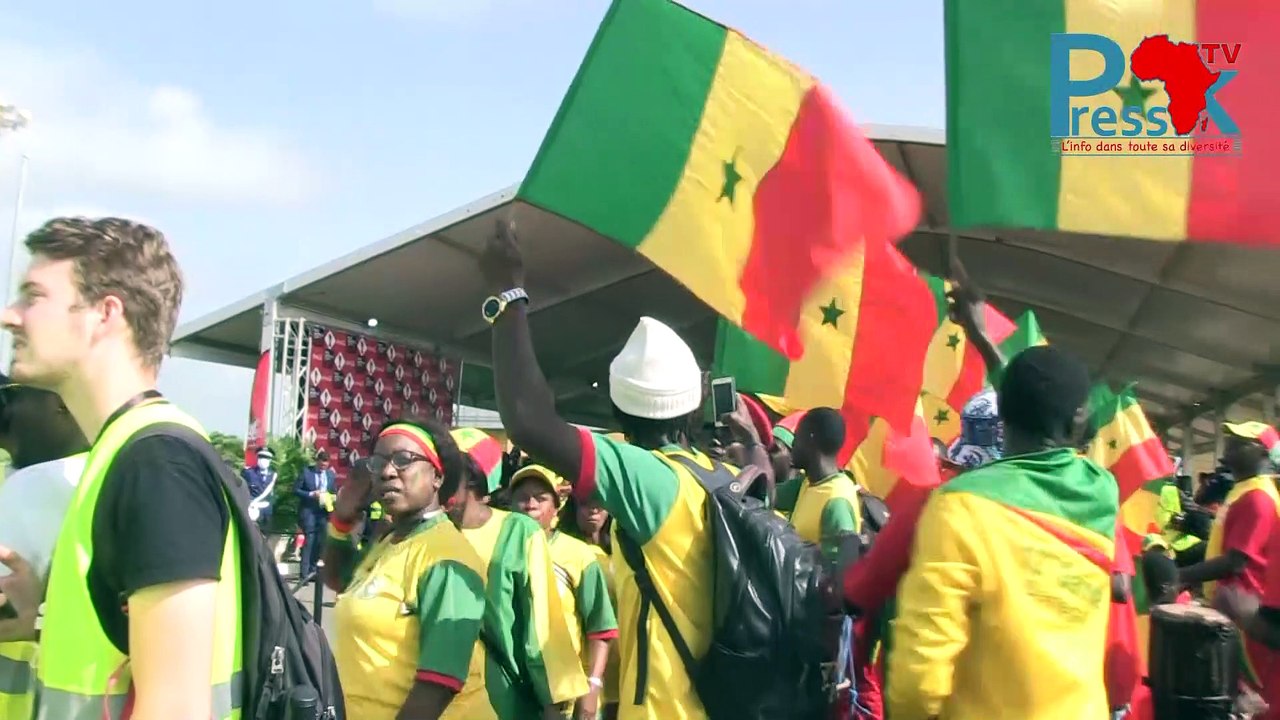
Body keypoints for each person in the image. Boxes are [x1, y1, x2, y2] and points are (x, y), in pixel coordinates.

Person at [479, 218, 772, 719]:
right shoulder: (716, 476)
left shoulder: (649, 478)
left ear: (618, 409)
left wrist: (507, 292)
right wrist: (757, 449)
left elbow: (528, 421)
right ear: (694, 405)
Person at [0, 217, 244, 719]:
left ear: (105, 314)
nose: (10, 316)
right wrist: (40, 624)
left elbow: (175, 709)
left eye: (34, 296)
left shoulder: (156, 464)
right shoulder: (121, 453)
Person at [887, 345, 1119, 720]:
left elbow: (919, 676)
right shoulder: (1101, 492)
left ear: (1003, 414)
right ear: (1078, 420)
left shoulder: (959, 506)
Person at [322, 418, 490, 720]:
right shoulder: (388, 542)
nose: (387, 472)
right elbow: (336, 579)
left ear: (437, 476)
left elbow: (440, 682)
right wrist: (342, 519)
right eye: (378, 462)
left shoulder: (447, 557)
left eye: (403, 460)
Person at [449, 427, 587, 719]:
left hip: (500, 701)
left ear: (477, 481)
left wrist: (553, 702)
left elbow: (542, 624)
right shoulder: (417, 532)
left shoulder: (517, 531)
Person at [0, 382, 89, 718]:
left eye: (14, 395)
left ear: (59, 402)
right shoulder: (104, 472)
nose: (6, 408)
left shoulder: (40, 483)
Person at [511, 464, 619, 720]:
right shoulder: (498, 552)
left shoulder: (579, 555)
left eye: (540, 498)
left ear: (556, 507)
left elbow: (600, 628)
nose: (531, 505)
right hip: (510, 692)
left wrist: (593, 686)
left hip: (566, 697)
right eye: (523, 498)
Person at [1179, 421, 1280, 690]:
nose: (1231, 442)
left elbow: (1236, 561)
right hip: (1234, 603)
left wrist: (1181, 576)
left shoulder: (1258, 498)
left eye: (1241, 441)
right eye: (1231, 437)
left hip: (1247, 610)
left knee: (1249, 689)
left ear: (1263, 453)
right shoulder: (1243, 490)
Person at [774, 407, 862, 561]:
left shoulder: (836, 501)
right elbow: (766, 494)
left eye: (797, 436)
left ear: (810, 440)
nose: (793, 443)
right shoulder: (807, 483)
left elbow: (844, 566)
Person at [294, 449, 336, 582]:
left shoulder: (330, 475)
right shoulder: (306, 472)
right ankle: (304, 574)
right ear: (317, 462)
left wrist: (332, 497)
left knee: (319, 542)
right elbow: (295, 490)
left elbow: (333, 491)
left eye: (325, 465)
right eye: (321, 465)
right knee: (309, 541)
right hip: (309, 511)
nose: (323, 467)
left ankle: (313, 572)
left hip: (323, 513)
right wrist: (311, 494)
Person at [242, 446, 277, 527]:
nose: (263, 460)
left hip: (266, 510)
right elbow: (242, 490)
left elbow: (272, 494)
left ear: (270, 460)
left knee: (266, 532)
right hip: (252, 508)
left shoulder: (273, 475)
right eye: (261, 457)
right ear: (257, 458)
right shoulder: (248, 473)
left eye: (266, 458)